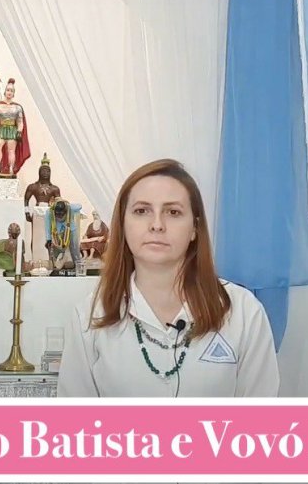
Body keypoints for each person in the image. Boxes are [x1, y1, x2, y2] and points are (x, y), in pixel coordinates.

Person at [57, 159, 278, 397]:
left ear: (195, 228)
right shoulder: (89, 317)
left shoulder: (244, 312)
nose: (157, 225)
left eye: (173, 212)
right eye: (142, 211)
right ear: (123, 224)